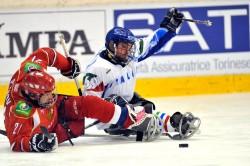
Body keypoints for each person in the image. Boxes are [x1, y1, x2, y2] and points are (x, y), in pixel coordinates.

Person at [3, 47, 160, 152]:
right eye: (47, 95)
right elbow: (16, 142)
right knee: (76, 125)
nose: (52, 96)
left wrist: (66, 66)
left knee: (89, 103)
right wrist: (35, 143)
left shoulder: (29, 68)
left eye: (52, 92)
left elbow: (46, 53)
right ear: (33, 96)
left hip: (51, 108)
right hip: (50, 127)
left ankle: (129, 118)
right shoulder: (19, 109)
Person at [82, 8, 201, 137]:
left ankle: (173, 124)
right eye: (123, 47)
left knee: (147, 108)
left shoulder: (130, 53)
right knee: (125, 106)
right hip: (110, 115)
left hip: (128, 101)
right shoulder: (97, 69)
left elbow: (153, 41)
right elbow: (91, 103)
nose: (128, 51)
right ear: (112, 46)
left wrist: (169, 28)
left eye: (129, 46)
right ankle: (140, 123)